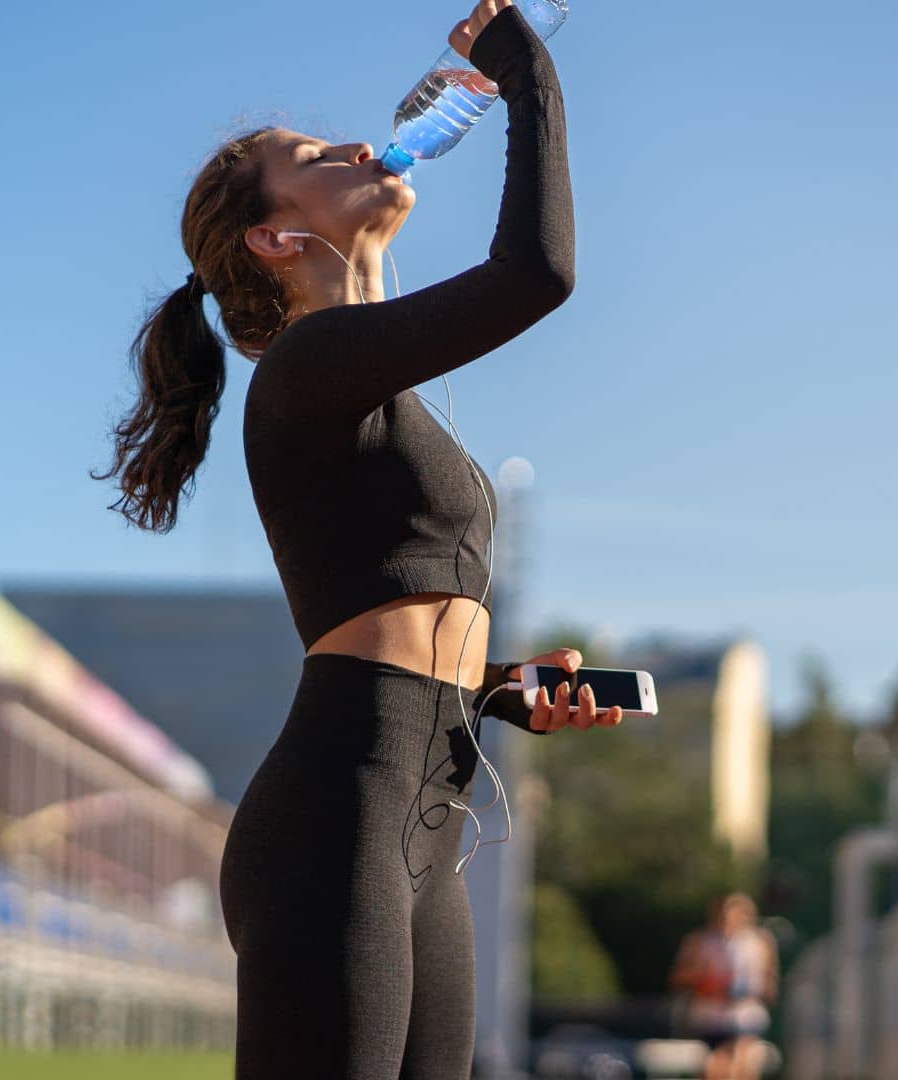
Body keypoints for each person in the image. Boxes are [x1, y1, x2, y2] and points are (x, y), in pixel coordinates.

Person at [94, 2, 619, 1074]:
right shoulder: (306, 366)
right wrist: (522, 68)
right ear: (278, 239)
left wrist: (500, 689)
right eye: (316, 158)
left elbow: (390, 605)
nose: (357, 146)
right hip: (338, 821)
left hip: (427, 814)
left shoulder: (377, 385)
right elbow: (540, 275)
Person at [670, 892, 779, 1080]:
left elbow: (770, 985)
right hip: (709, 1018)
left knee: (741, 1067)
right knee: (714, 1070)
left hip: (744, 1017)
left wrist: (751, 989)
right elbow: (679, 978)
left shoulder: (759, 942)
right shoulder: (700, 941)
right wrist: (706, 980)